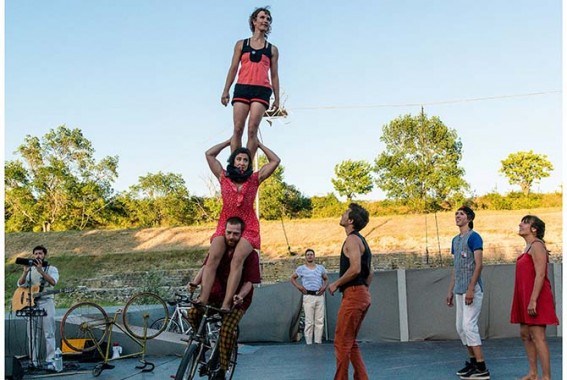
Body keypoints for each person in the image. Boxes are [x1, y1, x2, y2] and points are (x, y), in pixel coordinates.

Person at [197, 138, 279, 312]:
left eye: (245, 160)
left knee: (237, 260)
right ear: (233, 161)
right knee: (213, 257)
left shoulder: (255, 178)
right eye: (239, 159)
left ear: (249, 164)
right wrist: (228, 142)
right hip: (226, 221)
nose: (242, 162)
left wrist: (259, 145)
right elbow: (209, 154)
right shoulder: (223, 176)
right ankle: (203, 298)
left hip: (248, 224)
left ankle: (227, 303)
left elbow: (275, 161)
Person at [187, 217, 260, 380]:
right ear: (224, 231)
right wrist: (194, 282)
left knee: (227, 331)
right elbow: (206, 267)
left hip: (237, 301)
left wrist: (240, 296)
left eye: (236, 234)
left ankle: (222, 369)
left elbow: (250, 281)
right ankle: (203, 343)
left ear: (242, 234)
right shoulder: (217, 247)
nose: (231, 237)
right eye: (228, 233)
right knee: (192, 313)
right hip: (215, 294)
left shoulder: (250, 254)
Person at [221, 6, 280, 159]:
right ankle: (235, 166)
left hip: (262, 90)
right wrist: (225, 90)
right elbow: (233, 68)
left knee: (252, 129)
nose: (265, 21)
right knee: (238, 129)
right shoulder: (241, 44)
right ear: (254, 21)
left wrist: (277, 99)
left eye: (268, 19)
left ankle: (246, 170)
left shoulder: (272, 49)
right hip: (242, 88)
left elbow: (274, 75)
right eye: (262, 17)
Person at [510, 215, 559, 380]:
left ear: (534, 228)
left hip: (536, 297)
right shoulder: (528, 247)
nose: (520, 224)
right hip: (525, 296)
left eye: (525, 222)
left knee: (539, 337)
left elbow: (540, 275)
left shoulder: (537, 245)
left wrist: (533, 300)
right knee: (525, 333)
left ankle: (546, 377)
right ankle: (533, 373)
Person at [328, 203, 373, 380]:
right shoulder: (361, 240)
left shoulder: (352, 240)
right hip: (360, 294)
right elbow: (370, 273)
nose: (342, 214)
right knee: (350, 342)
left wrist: (336, 284)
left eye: (346, 213)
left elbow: (355, 269)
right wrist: (363, 290)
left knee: (341, 342)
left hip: (354, 295)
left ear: (351, 220)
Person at [446, 206, 490, 380]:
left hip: (472, 288)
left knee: (469, 326)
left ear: (469, 218)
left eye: (461, 214)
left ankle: (482, 367)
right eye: (456, 214)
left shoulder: (474, 237)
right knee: (460, 328)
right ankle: (472, 362)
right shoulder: (455, 241)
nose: (457, 216)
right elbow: (456, 268)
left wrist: (471, 288)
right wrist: (450, 290)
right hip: (459, 289)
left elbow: (478, 265)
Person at [17, 245, 60, 370]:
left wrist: (41, 271)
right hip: (31, 303)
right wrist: (25, 272)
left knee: (49, 332)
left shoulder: (51, 268)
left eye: (40, 253)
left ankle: (50, 360)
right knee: (32, 333)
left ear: (44, 255)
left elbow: (53, 282)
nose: (38, 256)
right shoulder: (30, 269)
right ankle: (33, 360)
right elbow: (20, 284)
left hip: (46, 301)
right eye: (35, 253)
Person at [290, 248, 328, 344]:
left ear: (314, 256)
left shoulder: (320, 268)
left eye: (311, 254)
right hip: (308, 296)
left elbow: (326, 279)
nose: (310, 256)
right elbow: (293, 278)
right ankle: (309, 343)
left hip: (319, 295)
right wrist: (300, 287)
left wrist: (323, 288)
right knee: (309, 321)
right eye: (308, 254)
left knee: (319, 320)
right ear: (305, 257)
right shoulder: (301, 269)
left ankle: (318, 341)